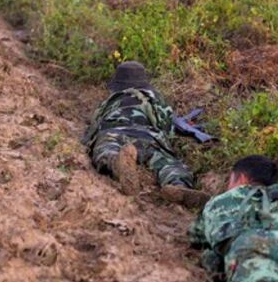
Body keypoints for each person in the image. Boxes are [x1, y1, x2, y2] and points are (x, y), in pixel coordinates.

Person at [82, 61, 209, 207]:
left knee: (107, 150)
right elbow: (167, 129)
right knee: (166, 163)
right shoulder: (155, 99)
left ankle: (116, 163)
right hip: (148, 136)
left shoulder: (110, 101)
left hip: (114, 131)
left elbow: (95, 125)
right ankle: (178, 184)